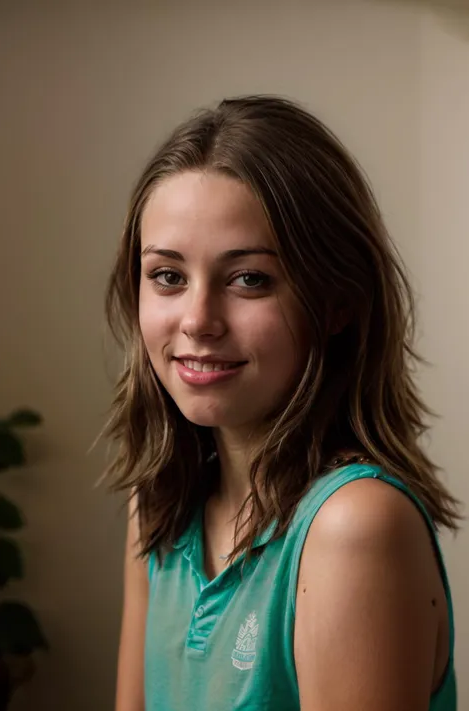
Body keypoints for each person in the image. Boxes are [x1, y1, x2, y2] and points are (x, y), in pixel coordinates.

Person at [105, 95, 459, 711]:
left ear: (336, 304)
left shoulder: (355, 528)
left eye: (250, 279)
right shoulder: (158, 502)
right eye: (167, 275)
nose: (197, 320)